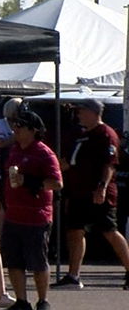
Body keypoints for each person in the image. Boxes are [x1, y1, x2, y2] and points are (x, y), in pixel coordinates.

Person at [54, 98, 129, 290]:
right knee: (75, 230)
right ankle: (73, 275)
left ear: (94, 113)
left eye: (82, 111)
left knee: (109, 230)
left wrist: (102, 187)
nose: (78, 115)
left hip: (98, 191)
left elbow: (110, 163)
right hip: (78, 191)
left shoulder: (106, 134)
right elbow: (71, 161)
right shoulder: (79, 135)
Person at [0, 111, 63, 310]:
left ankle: (43, 301)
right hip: (13, 214)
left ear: (33, 130)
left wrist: (28, 181)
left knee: (37, 260)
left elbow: (56, 183)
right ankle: (21, 301)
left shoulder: (44, 153)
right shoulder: (14, 150)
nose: (15, 128)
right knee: (14, 260)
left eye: (21, 125)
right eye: (15, 124)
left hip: (37, 216)